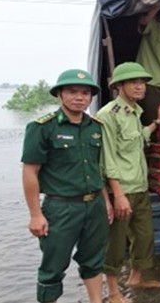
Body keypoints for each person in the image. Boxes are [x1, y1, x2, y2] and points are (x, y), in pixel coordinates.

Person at [21, 69, 112, 303]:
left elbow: (97, 169)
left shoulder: (96, 127)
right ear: (59, 95)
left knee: (93, 260)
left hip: (94, 205)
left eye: (85, 92)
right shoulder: (42, 127)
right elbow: (30, 171)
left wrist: (107, 202)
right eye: (72, 92)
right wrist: (35, 215)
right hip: (61, 208)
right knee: (54, 264)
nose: (79, 97)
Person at [97, 62, 160, 303]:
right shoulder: (108, 115)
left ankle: (136, 278)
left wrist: (157, 121)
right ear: (119, 86)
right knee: (116, 243)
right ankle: (113, 292)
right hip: (122, 189)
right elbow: (107, 158)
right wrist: (116, 195)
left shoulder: (135, 111)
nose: (140, 86)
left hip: (140, 187)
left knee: (144, 236)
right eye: (133, 82)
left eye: (142, 82)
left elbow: (140, 138)